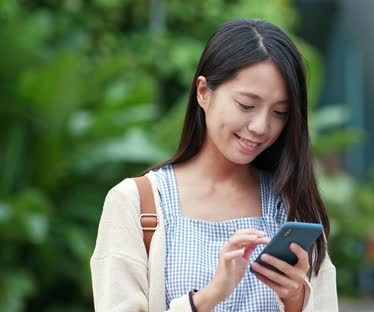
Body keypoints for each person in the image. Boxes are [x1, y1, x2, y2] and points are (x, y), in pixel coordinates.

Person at [90, 18, 338, 312]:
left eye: (280, 112)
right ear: (204, 92)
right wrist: (209, 296)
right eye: (247, 105)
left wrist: (296, 300)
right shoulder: (136, 203)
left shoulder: (292, 205)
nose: (261, 126)